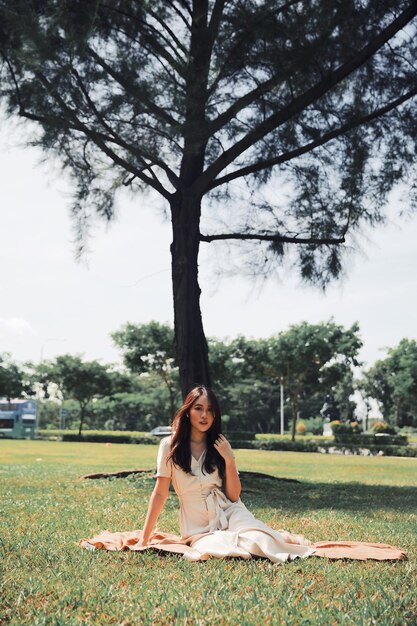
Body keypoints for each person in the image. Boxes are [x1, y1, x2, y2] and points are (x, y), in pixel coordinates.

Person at [80, 385, 406, 563]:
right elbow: (161, 494)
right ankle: (278, 535)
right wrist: (145, 537)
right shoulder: (169, 445)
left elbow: (234, 496)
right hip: (196, 522)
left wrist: (230, 460)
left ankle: (277, 536)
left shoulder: (220, 444)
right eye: (198, 408)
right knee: (230, 550)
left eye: (210, 410)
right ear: (188, 411)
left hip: (231, 511)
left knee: (259, 544)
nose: (205, 415)